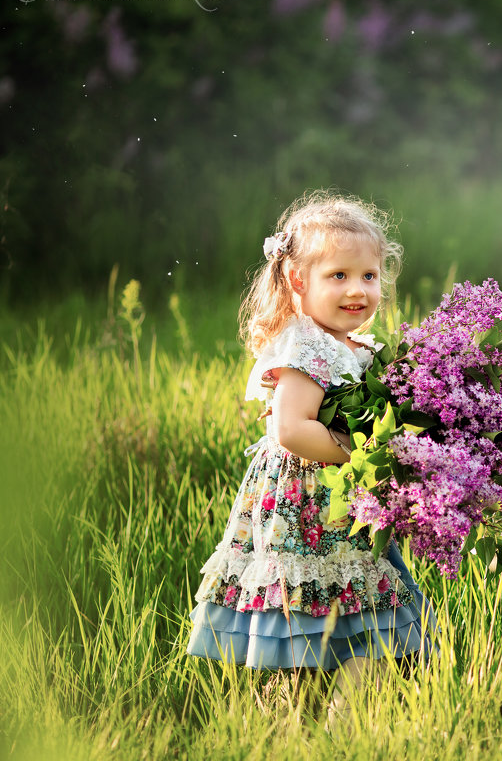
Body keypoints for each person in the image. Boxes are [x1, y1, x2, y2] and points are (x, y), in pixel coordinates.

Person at [186, 191, 437, 720]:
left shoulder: (358, 348)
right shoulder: (302, 347)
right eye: (338, 276)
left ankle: (345, 725)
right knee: (305, 618)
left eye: (369, 276)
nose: (357, 290)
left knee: (368, 616)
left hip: (343, 505)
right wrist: (358, 451)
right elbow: (291, 430)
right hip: (304, 503)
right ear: (298, 281)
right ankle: (291, 726)